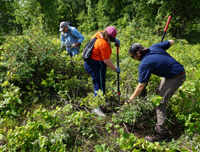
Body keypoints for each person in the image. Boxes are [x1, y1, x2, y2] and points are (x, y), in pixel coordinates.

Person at [126, 40, 186, 142]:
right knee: (157, 95)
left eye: (133, 56)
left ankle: (161, 134)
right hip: (170, 74)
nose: (133, 59)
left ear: (138, 53)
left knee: (160, 103)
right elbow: (172, 41)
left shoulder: (145, 63)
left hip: (176, 77)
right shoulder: (154, 47)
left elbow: (141, 86)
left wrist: (129, 100)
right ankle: (158, 118)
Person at [84, 26, 121, 116]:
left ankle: (102, 101)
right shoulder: (103, 44)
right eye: (111, 39)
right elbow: (107, 61)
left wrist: (115, 40)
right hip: (95, 65)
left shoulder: (99, 34)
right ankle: (96, 108)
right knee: (98, 86)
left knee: (101, 83)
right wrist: (116, 69)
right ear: (107, 37)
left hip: (94, 63)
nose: (111, 41)